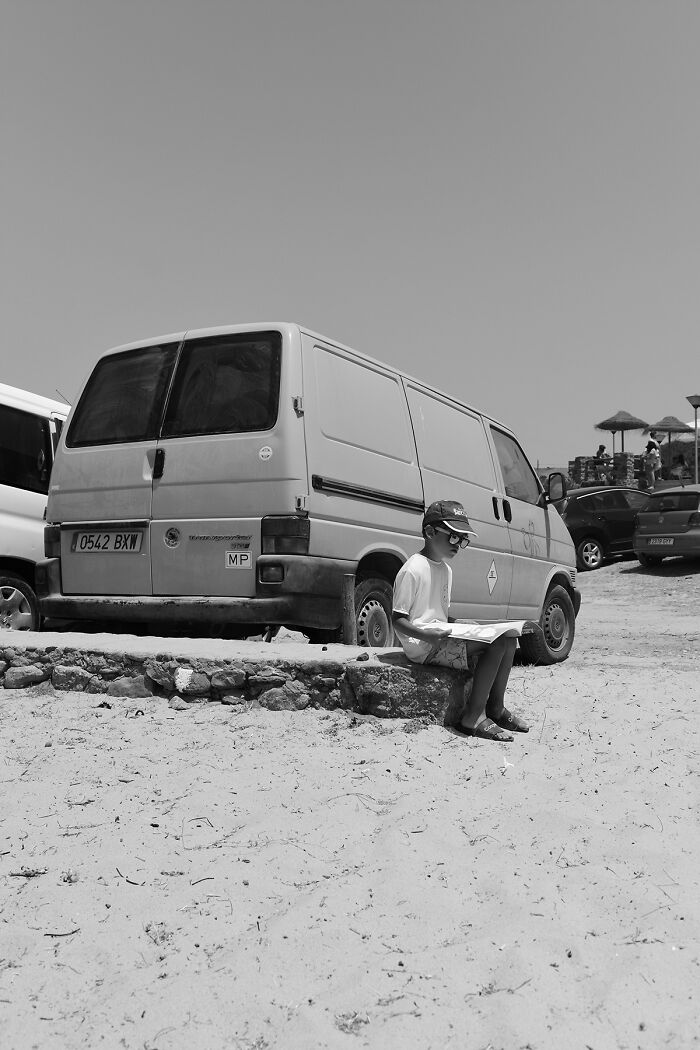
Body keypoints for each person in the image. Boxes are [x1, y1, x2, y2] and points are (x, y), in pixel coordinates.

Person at [392, 500, 529, 743]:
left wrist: (461, 622)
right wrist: (428, 637)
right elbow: (398, 620)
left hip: (439, 635)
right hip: (423, 646)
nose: (458, 544)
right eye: (453, 537)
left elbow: (438, 614)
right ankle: (473, 717)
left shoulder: (446, 570)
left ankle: (496, 708)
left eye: (462, 539)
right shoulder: (412, 569)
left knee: (509, 638)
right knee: (495, 644)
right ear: (430, 532)